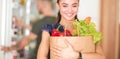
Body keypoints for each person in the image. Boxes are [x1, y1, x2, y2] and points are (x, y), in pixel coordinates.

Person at [37, 0, 106, 59]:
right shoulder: (49, 30)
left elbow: (101, 57)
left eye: (74, 6)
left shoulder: (85, 29)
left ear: (78, 6)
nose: (70, 10)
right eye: (65, 6)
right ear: (58, 6)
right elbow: (41, 57)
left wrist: (77, 55)